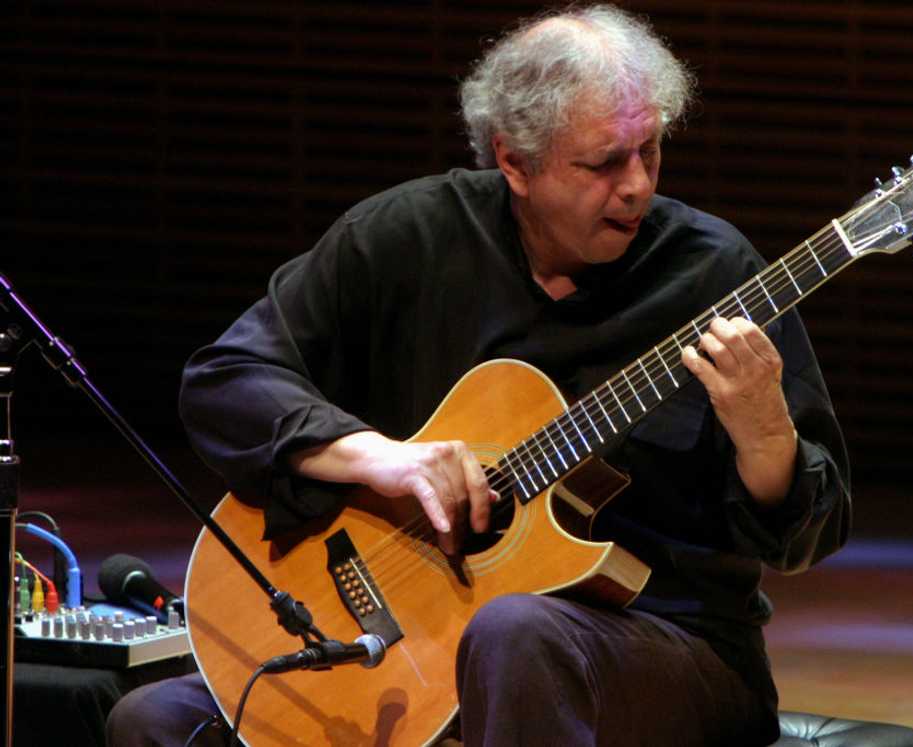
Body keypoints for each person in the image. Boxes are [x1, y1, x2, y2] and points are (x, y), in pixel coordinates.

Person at [107, 4, 850, 746]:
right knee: (152, 722)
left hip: (668, 645)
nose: (635, 186)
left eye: (650, 151)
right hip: (416, 640)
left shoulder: (716, 275)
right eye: (602, 163)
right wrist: (386, 459)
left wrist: (767, 435)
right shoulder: (411, 237)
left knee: (514, 631)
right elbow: (224, 378)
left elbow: (809, 537)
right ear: (513, 161)